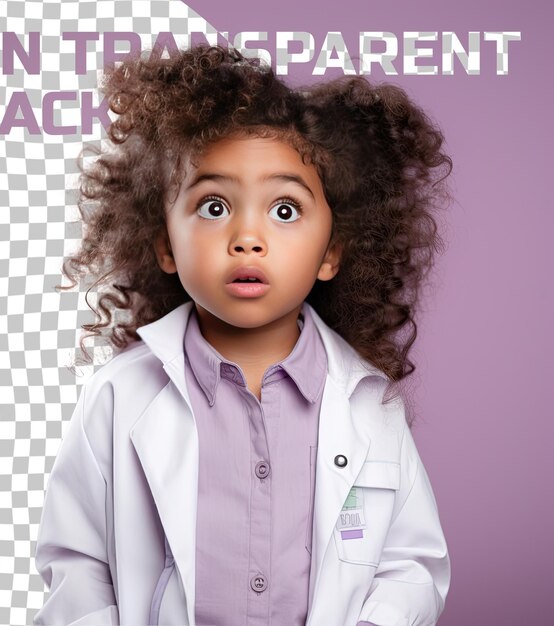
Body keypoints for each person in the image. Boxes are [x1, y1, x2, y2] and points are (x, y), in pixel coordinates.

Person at [33, 44, 452, 626]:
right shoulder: (118, 397)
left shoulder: (368, 405)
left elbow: (409, 564)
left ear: (331, 251)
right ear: (164, 243)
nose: (248, 237)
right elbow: (76, 564)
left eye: (284, 210)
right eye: (213, 206)